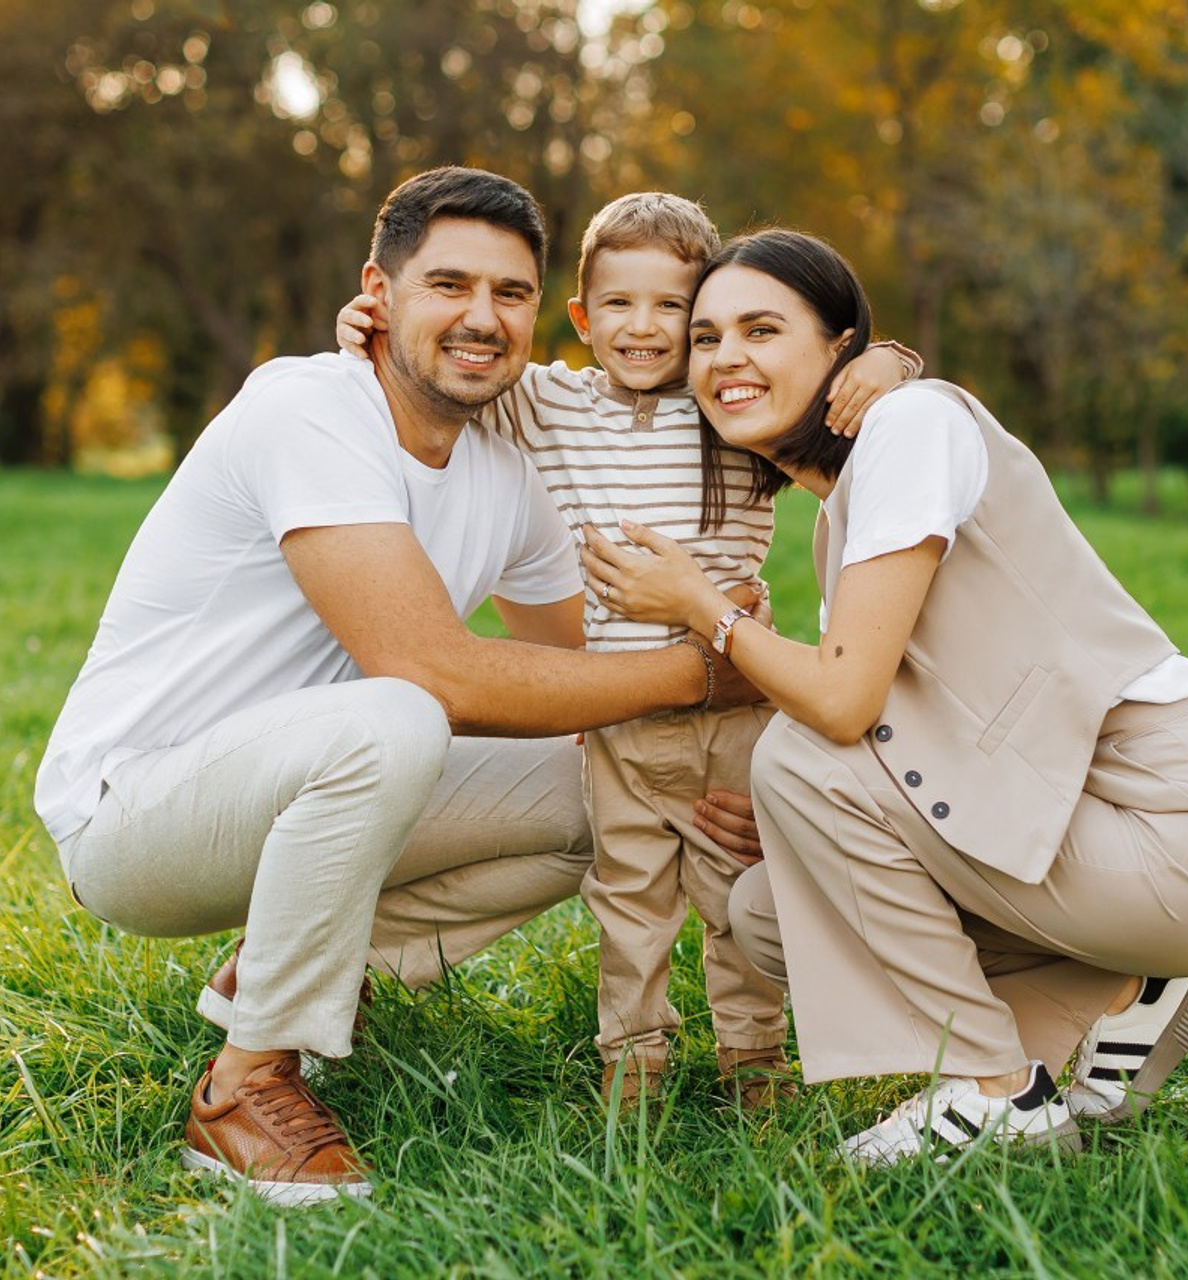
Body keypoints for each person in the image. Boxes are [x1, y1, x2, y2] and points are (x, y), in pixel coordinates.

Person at [32, 167, 768, 1206]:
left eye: (508, 293)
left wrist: (698, 779)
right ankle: (245, 1088)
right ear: (377, 294)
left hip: (299, 797)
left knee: (597, 790)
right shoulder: (307, 408)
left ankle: (289, 969)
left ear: (535, 314)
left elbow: (581, 683)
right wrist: (704, 666)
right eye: (448, 285)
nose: (481, 317)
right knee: (398, 709)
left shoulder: (506, 474)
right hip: (135, 818)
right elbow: (431, 669)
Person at [582, 228, 1188, 1165]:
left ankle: (995, 1089)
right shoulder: (851, 503)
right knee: (767, 908)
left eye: (760, 329)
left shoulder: (912, 426)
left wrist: (700, 607)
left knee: (800, 755)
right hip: (1086, 836)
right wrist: (821, 825)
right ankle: (1128, 996)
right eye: (705, 339)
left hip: (1172, 827)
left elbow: (840, 704)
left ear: (841, 350)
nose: (726, 359)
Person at [335, 192, 923, 1106]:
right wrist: (365, 324)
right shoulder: (547, 403)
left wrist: (890, 359)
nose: (643, 329)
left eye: (673, 311)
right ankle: (634, 1068)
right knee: (631, 905)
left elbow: (843, 389)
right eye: (617, 304)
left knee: (739, 893)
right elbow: (441, 364)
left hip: (737, 707)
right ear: (580, 316)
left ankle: (756, 1066)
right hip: (620, 717)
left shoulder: (731, 406)